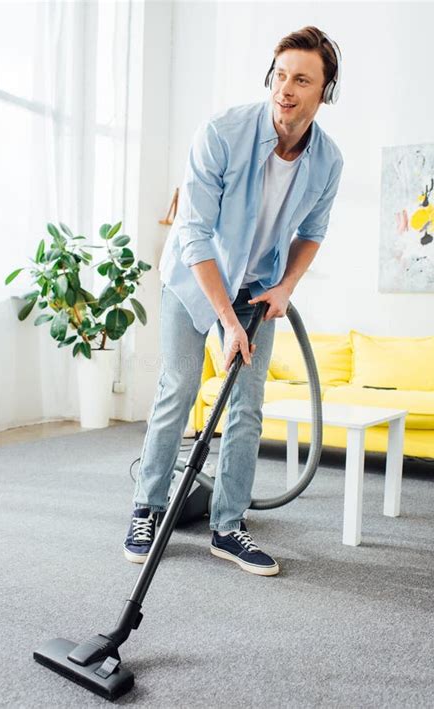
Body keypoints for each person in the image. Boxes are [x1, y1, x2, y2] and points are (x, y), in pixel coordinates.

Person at [123, 26, 344, 576]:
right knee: (178, 389)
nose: (285, 89)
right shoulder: (221, 133)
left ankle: (228, 525)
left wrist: (285, 287)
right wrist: (226, 320)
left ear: (324, 91)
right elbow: (194, 233)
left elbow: (311, 232)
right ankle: (147, 507)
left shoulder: (328, 161)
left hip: (258, 289)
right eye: (280, 75)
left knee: (247, 405)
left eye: (301, 79)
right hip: (192, 281)